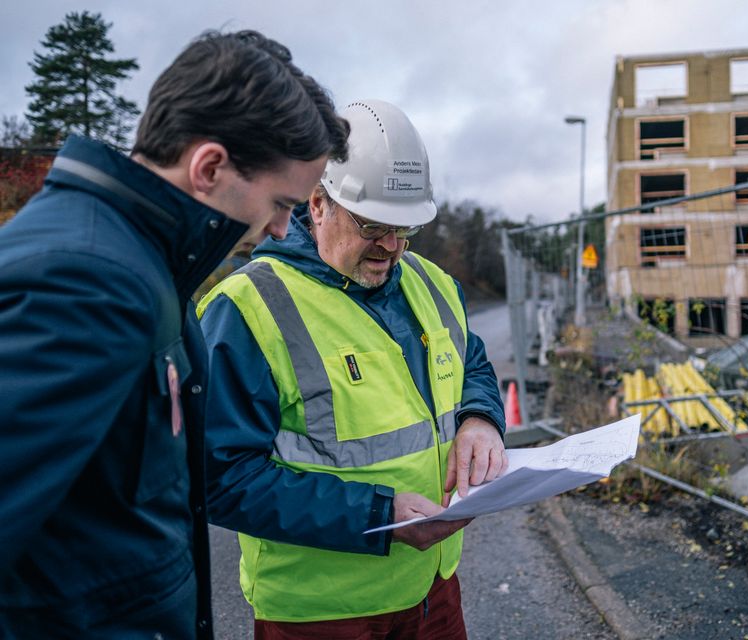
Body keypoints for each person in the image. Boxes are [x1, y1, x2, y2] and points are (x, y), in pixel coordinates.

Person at [0, 30, 349, 639]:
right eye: (280, 202)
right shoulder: (88, 281)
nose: (280, 230)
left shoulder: (140, 262)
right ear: (209, 166)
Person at [198, 99, 507, 638]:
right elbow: (220, 478)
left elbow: (471, 361)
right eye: (373, 227)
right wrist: (375, 514)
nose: (391, 247)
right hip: (321, 611)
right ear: (318, 204)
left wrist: (479, 416)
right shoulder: (247, 309)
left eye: (405, 230)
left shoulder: (430, 281)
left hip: (433, 586)